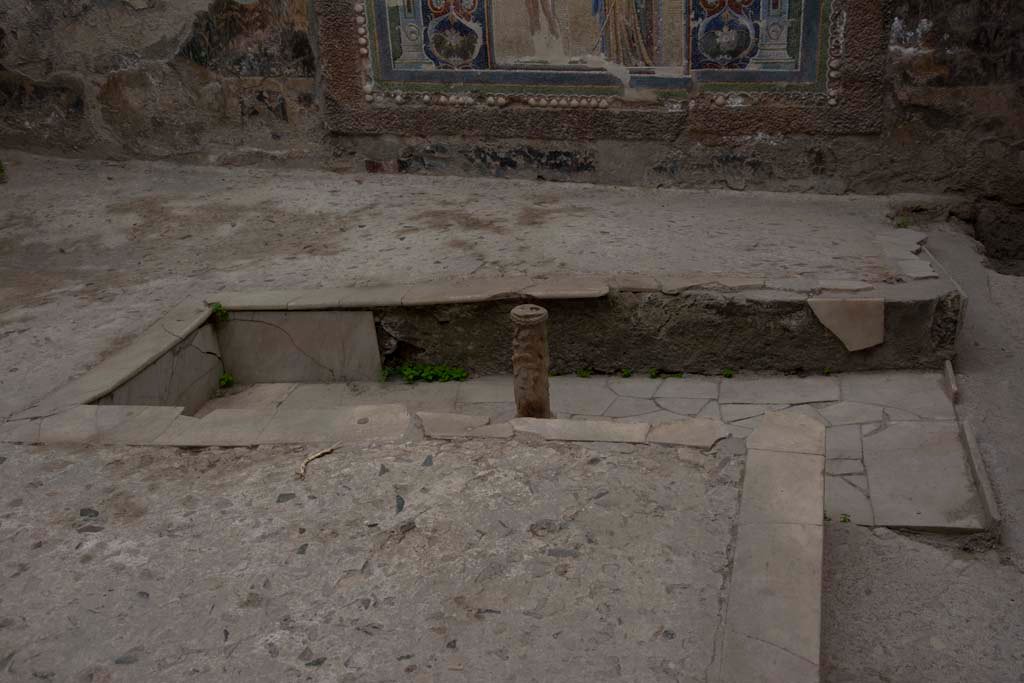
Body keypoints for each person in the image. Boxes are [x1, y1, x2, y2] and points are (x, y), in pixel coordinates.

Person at [593, 0, 653, 66]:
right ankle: (612, 55)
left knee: (624, 25)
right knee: (611, 27)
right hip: (607, 4)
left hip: (623, 4)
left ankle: (624, 55)